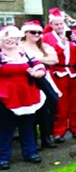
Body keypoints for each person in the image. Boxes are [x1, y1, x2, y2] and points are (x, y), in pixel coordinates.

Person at [0, 25, 46, 170]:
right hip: (6, 96)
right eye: (7, 37)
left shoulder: (24, 53)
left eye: (13, 38)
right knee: (6, 128)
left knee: (27, 125)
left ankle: (30, 153)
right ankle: (3, 157)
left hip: (27, 95)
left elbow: (40, 67)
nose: (10, 40)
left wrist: (38, 73)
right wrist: (24, 69)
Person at [42, 8, 76, 142]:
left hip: (74, 73)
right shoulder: (46, 38)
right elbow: (48, 56)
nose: (59, 27)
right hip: (58, 72)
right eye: (56, 24)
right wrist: (61, 44)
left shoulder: (72, 33)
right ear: (51, 24)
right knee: (60, 104)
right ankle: (59, 131)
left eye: (61, 24)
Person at [21, 20, 60, 150]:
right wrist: (41, 60)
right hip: (29, 81)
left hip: (46, 79)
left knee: (49, 107)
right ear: (25, 33)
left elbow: (54, 60)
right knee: (32, 110)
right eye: (33, 32)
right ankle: (32, 139)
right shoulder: (20, 46)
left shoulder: (44, 46)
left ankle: (46, 137)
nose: (37, 34)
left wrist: (34, 60)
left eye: (39, 32)